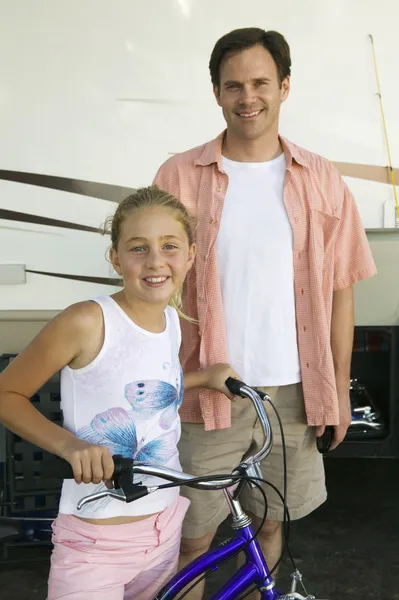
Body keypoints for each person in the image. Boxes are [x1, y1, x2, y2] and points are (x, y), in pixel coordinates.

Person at [153, 27, 377, 598]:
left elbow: (340, 291)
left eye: (259, 83)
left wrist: (339, 391)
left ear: (284, 87)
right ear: (217, 93)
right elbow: (151, 289)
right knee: (191, 537)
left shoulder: (323, 178)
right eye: (233, 85)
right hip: (206, 393)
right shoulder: (178, 176)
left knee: (270, 523)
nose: (247, 96)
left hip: (293, 392)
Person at [0, 185, 238, 600]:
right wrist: (71, 446)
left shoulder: (170, 320)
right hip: (96, 542)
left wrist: (203, 377)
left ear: (191, 256)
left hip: (162, 527)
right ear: (115, 258)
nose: (155, 261)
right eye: (138, 248)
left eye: (169, 246)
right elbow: (7, 394)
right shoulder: (87, 321)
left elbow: (140, 390)